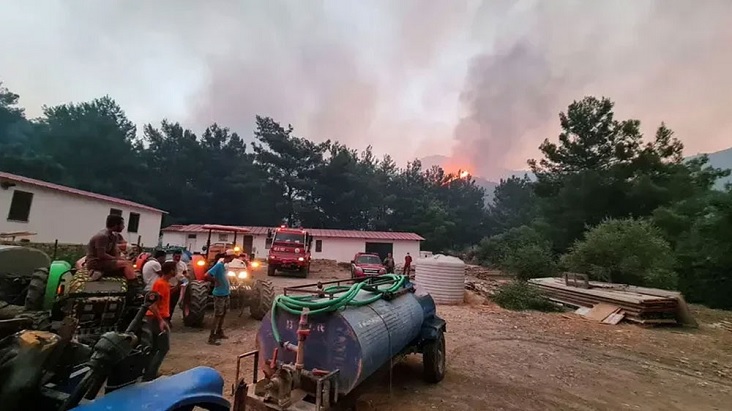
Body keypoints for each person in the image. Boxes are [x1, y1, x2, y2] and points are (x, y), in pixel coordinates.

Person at [141, 260, 176, 381]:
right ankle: (150, 374)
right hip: (156, 318)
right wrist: (161, 321)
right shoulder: (160, 284)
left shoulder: (164, 283)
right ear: (171, 271)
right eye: (175, 269)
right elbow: (153, 305)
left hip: (156, 317)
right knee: (163, 347)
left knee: (155, 347)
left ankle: (149, 373)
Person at [86, 214, 137, 280]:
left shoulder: (114, 236)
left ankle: (132, 280)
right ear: (116, 225)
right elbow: (101, 255)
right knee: (125, 264)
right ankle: (133, 284)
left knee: (128, 263)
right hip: (96, 262)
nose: (123, 227)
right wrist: (116, 259)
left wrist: (122, 258)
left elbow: (114, 252)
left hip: (105, 261)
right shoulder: (102, 236)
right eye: (122, 224)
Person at [206, 250, 235, 345]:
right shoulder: (219, 265)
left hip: (225, 293)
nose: (233, 258)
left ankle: (219, 331)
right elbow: (207, 275)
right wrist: (216, 281)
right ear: (229, 256)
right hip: (219, 294)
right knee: (218, 315)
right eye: (233, 256)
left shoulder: (224, 266)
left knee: (223, 314)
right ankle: (212, 336)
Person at [168, 250, 189, 322]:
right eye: (176, 256)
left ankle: (169, 319)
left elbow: (186, 273)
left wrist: (185, 277)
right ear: (173, 256)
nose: (177, 258)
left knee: (173, 304)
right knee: (166, 303)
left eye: (179, 256)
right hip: (168, 286)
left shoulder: (183, 264)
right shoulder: (168, 263)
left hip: (177, 286)